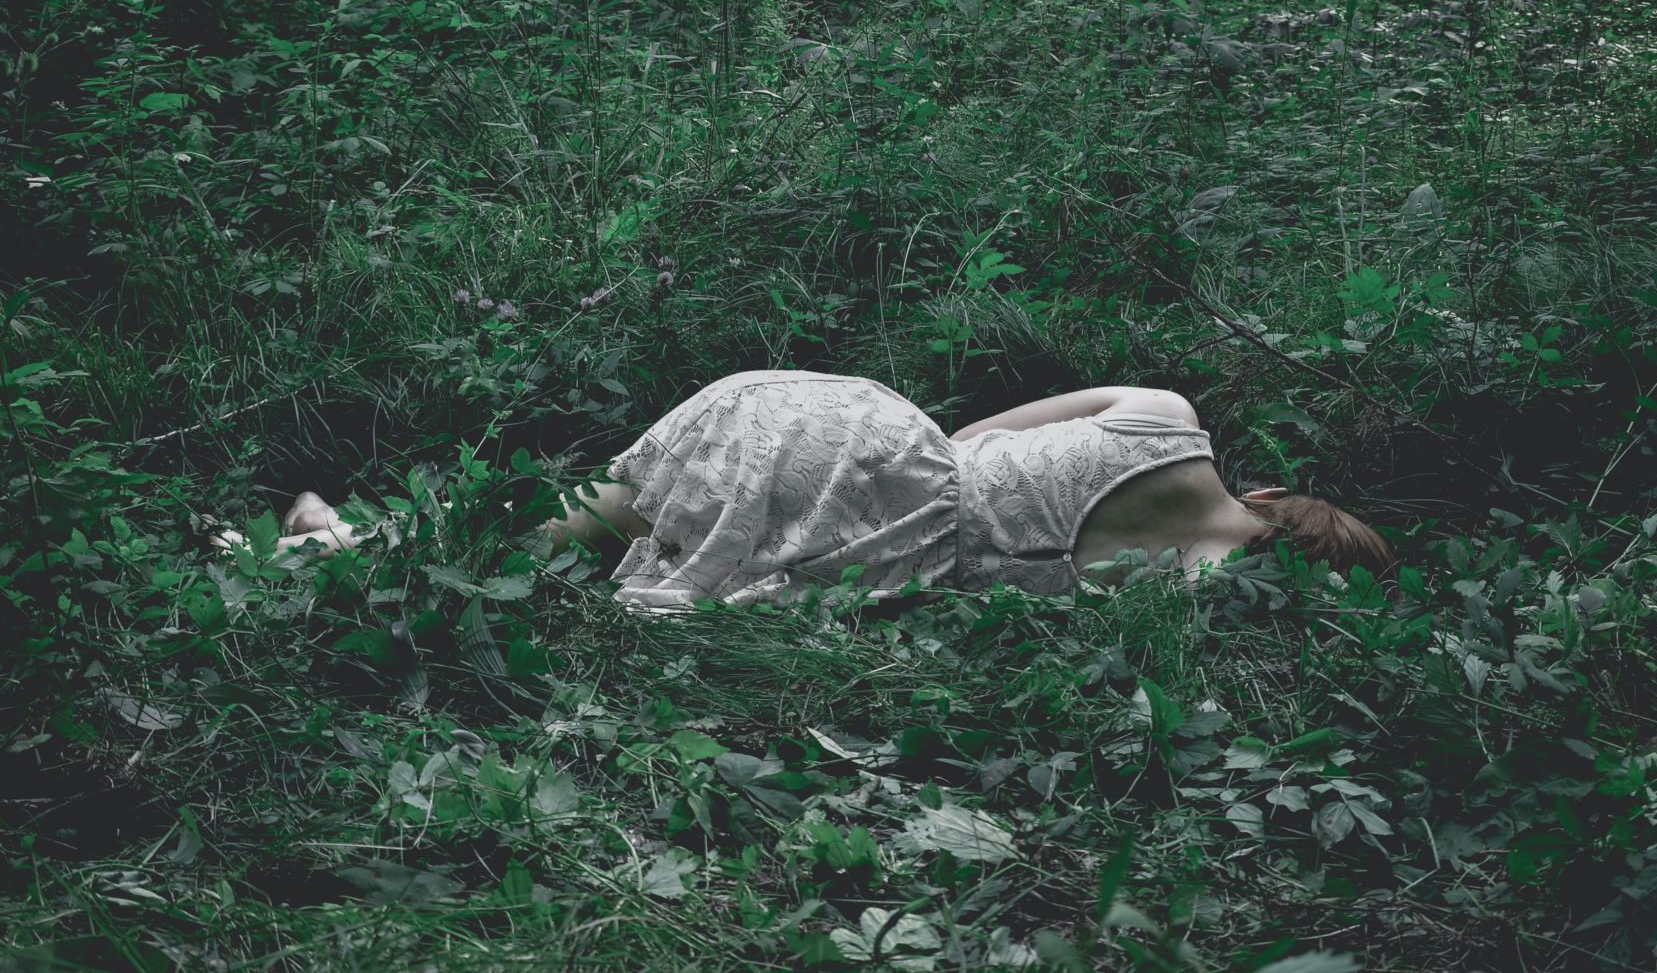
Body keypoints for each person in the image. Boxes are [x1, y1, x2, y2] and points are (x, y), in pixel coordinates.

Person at [274, 369, 1392, 615]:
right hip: (889, 551)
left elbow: (980, 435)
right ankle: (348, 550)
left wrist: (876, 472)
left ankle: (352, 543)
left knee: (579, 514)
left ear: (1284, 497)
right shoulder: (1189, 597)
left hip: (873, 439)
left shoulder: (1166, 414)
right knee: (574, 543)